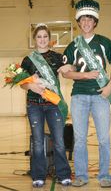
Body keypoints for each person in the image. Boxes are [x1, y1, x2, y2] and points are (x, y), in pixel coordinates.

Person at [58, 0, 111, 187]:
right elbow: (66, 73)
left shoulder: (105, 42)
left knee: (103, 138)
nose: (86, 23)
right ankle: (82, 176)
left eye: (89, 19)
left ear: (95, 22)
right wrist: (84, 75)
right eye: (82, 19)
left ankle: (104, 176)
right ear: (78, 22)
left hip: (101, 96)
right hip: (79, 97)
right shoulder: (72, 45)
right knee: (80, 139)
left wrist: (109, 86)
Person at [20, 23, 72, 188]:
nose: (42, 40)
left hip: (53, 104)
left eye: (45, 37)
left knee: (59, 141)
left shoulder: (57, 57)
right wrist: (31, 86)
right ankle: (38, 175)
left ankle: (63, 174)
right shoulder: (28, 60)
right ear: (34, 39)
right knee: (37, 141)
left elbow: (71, 67)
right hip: (34, 105)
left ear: (50, 39)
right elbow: (21, 83)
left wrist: (70, 66)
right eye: (39, 37)